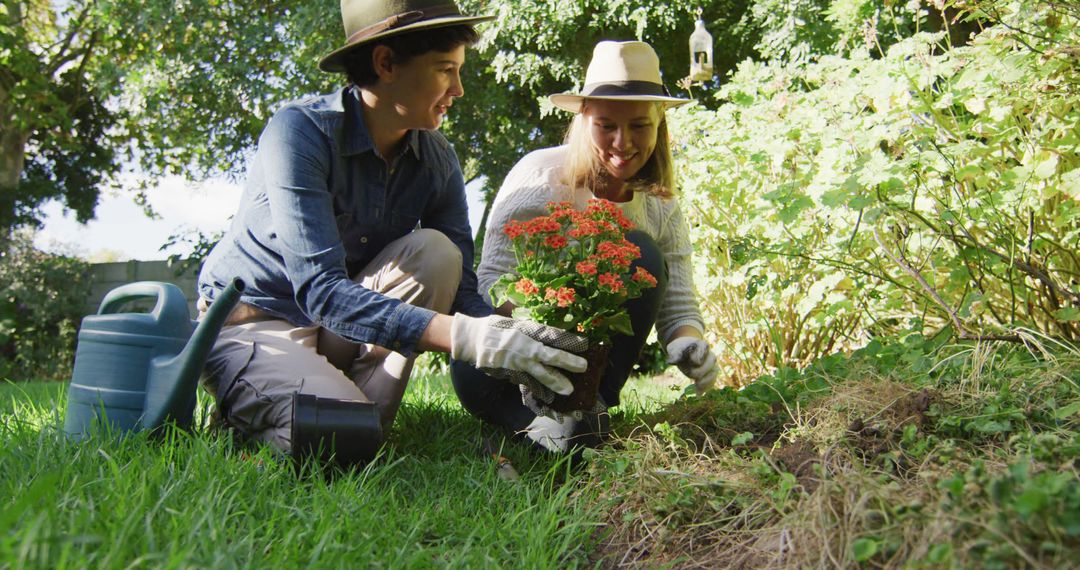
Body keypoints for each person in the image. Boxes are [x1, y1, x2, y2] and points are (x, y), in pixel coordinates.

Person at [196, 0, 587, 464]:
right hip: (260, 321)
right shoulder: (300, 134)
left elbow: (460, 293)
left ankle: (340, 417)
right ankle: (256, 416)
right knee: (340, 441)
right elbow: (321, 291)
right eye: (446, 70)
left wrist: (510, 331)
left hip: (340, 329)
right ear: (385, 63)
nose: (459, 89)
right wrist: (466, 337)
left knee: (438, 254)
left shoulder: (436, 158)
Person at [451, 41, 719, 453]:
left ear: (659, 123)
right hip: (509, 362)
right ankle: (543, 424)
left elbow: (679, 303)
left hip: (590, 376)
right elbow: (490, 281)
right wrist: (543, 327)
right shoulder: (538, 176)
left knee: (640, 251)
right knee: (473, 362)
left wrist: (687, 341)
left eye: (639, 126)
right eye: (606, 125)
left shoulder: (660, 206)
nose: (622, 142)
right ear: (583, 119)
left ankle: (581, 415)